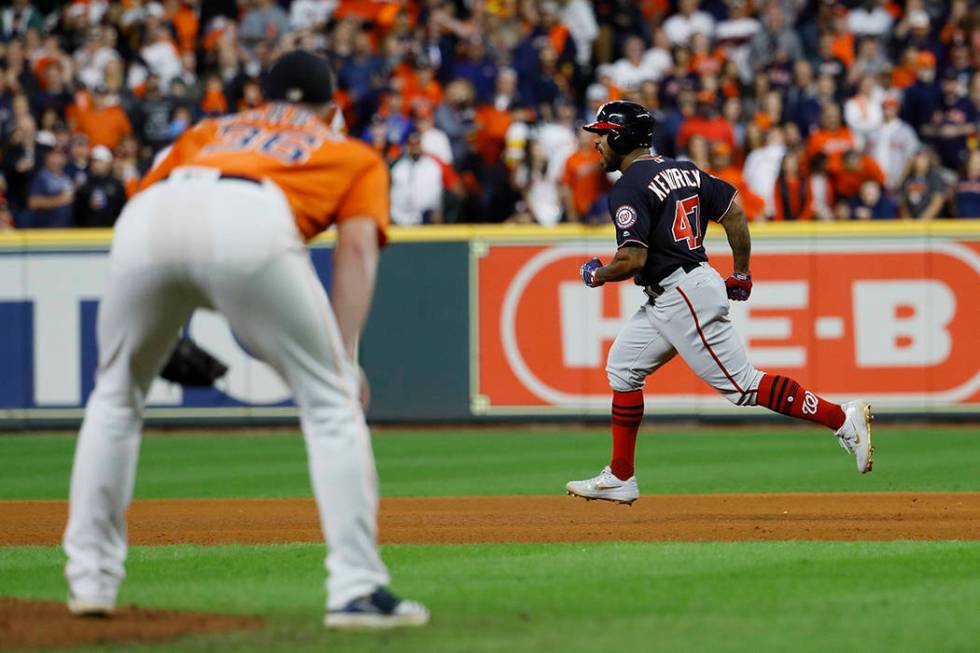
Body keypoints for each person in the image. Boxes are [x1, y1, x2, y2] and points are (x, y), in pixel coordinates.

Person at [62, 50, 429, 630]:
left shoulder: (210, 129)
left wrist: (163, 324)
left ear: (261, 100)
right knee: (332, 405)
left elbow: (152, 208)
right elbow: (356, 252)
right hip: (249, 216)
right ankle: (355, 589)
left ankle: (89, 581)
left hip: (151, 215)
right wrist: (345, 359)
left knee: (113, 399)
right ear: (331, 108)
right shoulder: (349, 151)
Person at [566, 101, 874, 505]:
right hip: (673, 294)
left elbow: (633, 259)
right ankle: (621, 475)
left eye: (603, 134)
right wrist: (741, 272)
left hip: (682, 293)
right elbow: (733, 209)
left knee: (743, 385)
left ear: (622, 137)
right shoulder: (685, 169)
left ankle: (842, 418)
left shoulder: (628, 186)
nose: (598, 143)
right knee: (623, 369)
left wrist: (597, 274)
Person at [73, 145, 126, 227]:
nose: (96, 164)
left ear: (108, 163)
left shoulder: (117, 185)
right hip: (86, 232)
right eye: (94, 161)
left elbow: (122, 211)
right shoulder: (84, 183)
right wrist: (87, 203)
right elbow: (76, 211)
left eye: (100, 161)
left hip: (109, 231)